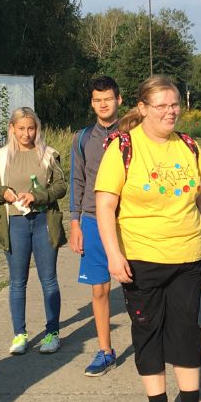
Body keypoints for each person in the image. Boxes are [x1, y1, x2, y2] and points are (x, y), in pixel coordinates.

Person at [95, 75, 201, 402]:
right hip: (141, 259)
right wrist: (113, 254)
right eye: (162, 105)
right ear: (143, 108)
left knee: (187, 331)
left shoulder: (189, 146)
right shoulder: (123, 147)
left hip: (188, 256)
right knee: (148, 333)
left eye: (175, 104)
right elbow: (105, 205)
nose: (170, 111)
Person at [0, 107, 67, 355]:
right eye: (21, 128)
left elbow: (61, 187)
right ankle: (19, 334)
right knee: (18, 281)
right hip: (15, 224)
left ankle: (52, 333)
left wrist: (38, 196)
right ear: (12, 128)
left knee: (49, 280)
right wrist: (4, 193)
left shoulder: (49, 154)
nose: (26, 134)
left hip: (43, 222)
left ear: (37, 128)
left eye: (31, 128)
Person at [68, 76, 123, 375]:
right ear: (92, 103)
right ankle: (105, 351)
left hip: (127, 219)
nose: (103, 104)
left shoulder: (132, 134)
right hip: (92, 219)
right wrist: (75, 223)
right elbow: (77, 180)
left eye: (108, 99)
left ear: (118, 100)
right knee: (100, 290)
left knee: (140, 287)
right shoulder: (82, 138)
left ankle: (152, 346)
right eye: (97, 100)